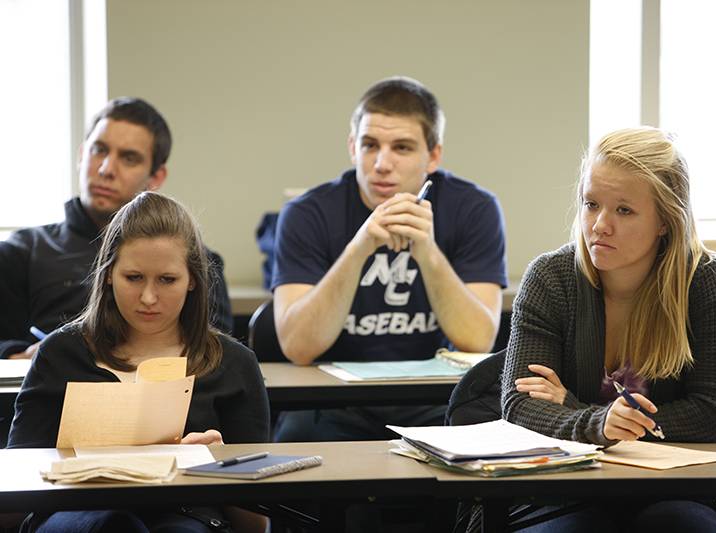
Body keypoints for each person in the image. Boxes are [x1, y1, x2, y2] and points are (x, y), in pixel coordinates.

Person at [501, 127, 716, 532]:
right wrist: (598, 424)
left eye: (624, 210)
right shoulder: (551, 277)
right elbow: (519, 406)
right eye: (591, 204)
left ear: (665, 222)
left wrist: (573, 409)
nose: (599, 225)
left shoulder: (699, 277)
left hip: (676, 489)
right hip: (566, 490)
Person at [7, 191, 269, 532]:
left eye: (167, 280)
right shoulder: (60, 354)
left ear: (193, 281)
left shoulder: (234, 364)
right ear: (108, 274)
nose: (148, 298)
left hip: (188, 515)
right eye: (133, 278)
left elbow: (257, 525)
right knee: (115, 526)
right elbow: (11, 505)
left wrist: (221, 467)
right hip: (77, 512)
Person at [269, 76, 507, 441]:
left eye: (402, 147)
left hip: (437, 399)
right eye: (369, 145)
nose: (382, 163)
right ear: (352, 147)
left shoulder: (474, 208)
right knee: (292, 438)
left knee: (484, 438)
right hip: (332, 400)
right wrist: (359, 247)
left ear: (434, 156)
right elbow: (298, 347)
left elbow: (478, 339)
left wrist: (426, 250)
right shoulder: (307, 213)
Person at [0, 97, 233, 360]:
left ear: (156, 177)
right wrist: (23, 357)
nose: (106, 169)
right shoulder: (22, 252)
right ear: (81, 155)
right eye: (99, 150)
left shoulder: (196, 261)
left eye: (129, 158)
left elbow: (216, 355)